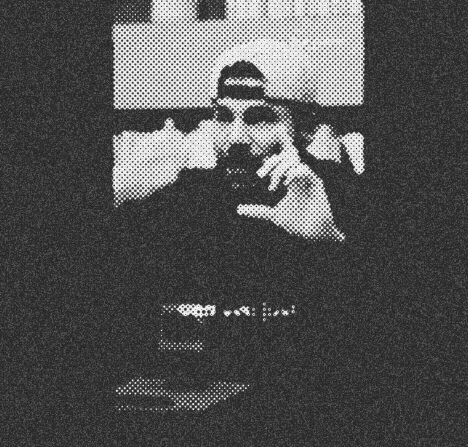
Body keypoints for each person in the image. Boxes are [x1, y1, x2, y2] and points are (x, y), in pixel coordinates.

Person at [108, 39, 364, 415]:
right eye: (224, 117)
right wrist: (119, 190)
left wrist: (329, 240)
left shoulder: (347, 196)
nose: (236, 139)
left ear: (305, 130)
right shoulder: (189, 197)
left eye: (260, 119)